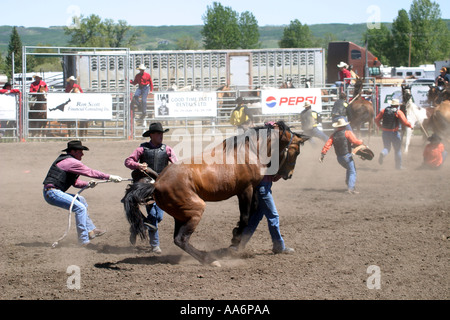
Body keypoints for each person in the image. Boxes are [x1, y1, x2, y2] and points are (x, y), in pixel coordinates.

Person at [43, 140, 123, 247]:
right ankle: (83, 240)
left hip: (52, 192)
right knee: (80, 208)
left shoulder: (68, 161)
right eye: (80, 151)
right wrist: (109, 177)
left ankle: (91, 230)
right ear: (73, 151)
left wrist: (87, 184)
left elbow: (75, 183)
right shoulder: (71, 162)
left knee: (81, 200)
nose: (82, 154)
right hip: (52, 192)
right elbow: (90, 172)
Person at [124, 122, 178, 253]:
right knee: (153, 215)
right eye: (158, 133)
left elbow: (177, 165)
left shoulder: (167, 149)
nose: (161, 136)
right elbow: (128, 161)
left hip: (161, 186)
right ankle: (155, 245)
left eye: (162, 134)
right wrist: (138, 166)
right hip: (146, 186)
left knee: (158, 216)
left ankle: (138, 225)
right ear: (152, 135)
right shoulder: (142, 149)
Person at [234, 174, 295, 254]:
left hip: (263, 188)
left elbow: (273, 178)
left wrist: (280, 174)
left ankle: (239, 245)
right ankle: (279, 246)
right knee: (273, 216)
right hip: (263, 190)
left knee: (254, 219)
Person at [320, 118, 364, 194]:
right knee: (352, 171)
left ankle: (349, 183)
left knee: (349, 169)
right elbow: (355, 141)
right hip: (347, 156)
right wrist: (361, 141)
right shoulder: (348, 133)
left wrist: (323, 154)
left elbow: (327, 145)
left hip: (339, 158)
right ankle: (350, 188)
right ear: (344, 126)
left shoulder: (333, 135)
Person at [375, 99, 413, 170]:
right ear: (397, 105)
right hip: (394, 133)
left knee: (387, 148)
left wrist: (380, 126)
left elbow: (376, 119)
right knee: (397, 150)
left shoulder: (384, 111)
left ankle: (383, 153)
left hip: (385, 132)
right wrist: (410, 126)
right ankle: (398, 166)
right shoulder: (398, 112)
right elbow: (405, 122)